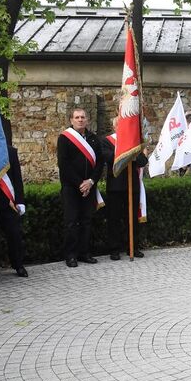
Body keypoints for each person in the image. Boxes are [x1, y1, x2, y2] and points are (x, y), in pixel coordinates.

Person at [57, 108, 102, 267]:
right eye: (77, 117)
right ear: (71, 120)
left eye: (83, 117)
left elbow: (99, 164)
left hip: (89, 187)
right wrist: (79, 183)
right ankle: (70, 255)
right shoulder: (64, 138)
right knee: (71, 222)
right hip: (71, 187)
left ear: (87, 120)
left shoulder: (94, 139)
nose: (80, 120)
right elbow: (64, 164)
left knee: (86, 221)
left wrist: (90, 181)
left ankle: (84, 253)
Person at [101, 117, 149, 260]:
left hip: (132, 186)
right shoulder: (107, 141)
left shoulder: (134, 143)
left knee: (132, 218)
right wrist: (128, 155)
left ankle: (132, 247)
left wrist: (133, 154)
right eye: (119, 125)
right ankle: (114, 249)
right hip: (115, 186)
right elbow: (109, 157)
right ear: (115, 126)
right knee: (114, 219)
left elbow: (142, 161)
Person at [0, 144, 28, 282]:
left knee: (14, 233)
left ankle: (18, 264)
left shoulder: (9, 151)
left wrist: (20, 200)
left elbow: (16, 177)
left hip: (7, 200)